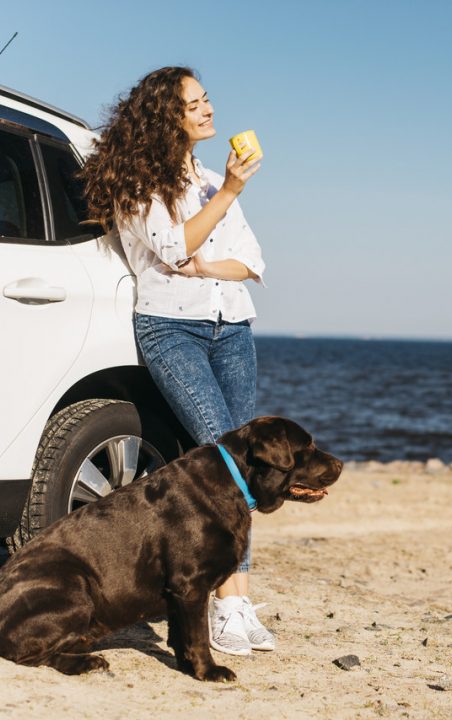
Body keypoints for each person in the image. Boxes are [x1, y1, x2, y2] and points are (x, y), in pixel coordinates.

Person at [81, 67, 271, 657]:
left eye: (208, 98)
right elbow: (170, 246)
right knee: (225, 459)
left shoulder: (210, 180)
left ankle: (233, 602)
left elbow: (252, 262)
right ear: (168, 117)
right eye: (195, 103)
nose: (209, 110)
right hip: (172, 330)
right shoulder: (140, 183)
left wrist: (211, 265)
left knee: (239, 466)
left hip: (232, 329)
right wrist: (232, 195)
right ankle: (229, 607)